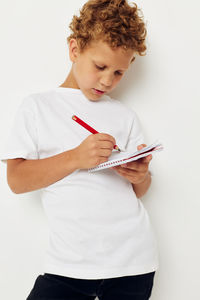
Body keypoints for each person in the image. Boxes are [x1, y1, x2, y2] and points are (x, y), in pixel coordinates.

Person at [0, 0, 159, 299]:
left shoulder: (124, 115)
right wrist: (76, 157)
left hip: (135, 261)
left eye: (118, 73)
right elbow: (16, 181)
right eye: (100, 66)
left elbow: (140, 191)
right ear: (74, 50)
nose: (107, 80)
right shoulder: (37, 107)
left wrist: (139, 175)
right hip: (69, 267)